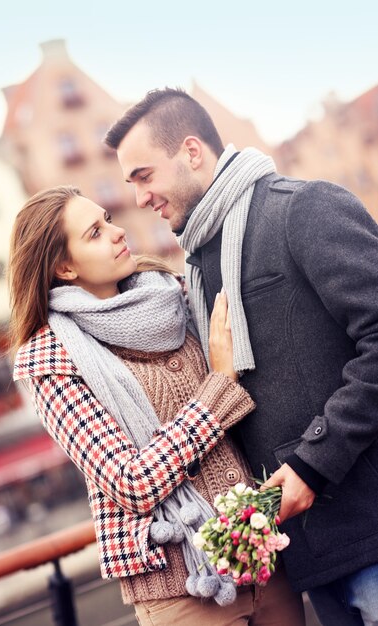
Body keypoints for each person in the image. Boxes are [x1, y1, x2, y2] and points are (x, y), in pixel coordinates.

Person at [105, 87, 378, 626]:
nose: (138, 198)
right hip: (308, 557)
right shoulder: (199, 265)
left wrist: (312, 464)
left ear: (190, 151)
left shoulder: (303, 209)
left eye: (143, 175)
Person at [8, 186, 305, 626]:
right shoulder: (49, 360)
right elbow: (132, 482)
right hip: (179, 584)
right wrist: (219, 387)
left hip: (257, 549)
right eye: (95, 232)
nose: (116, 231)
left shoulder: (171, 294)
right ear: (64, 266)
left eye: (107, 219)